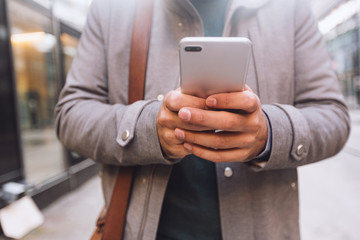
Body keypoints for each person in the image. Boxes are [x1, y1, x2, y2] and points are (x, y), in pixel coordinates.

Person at [55, 0, 351, 239]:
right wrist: (149, 128)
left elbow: (333, 117)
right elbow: (70, 114)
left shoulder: (290, 8)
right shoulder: (110, 9)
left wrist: (269, 133)